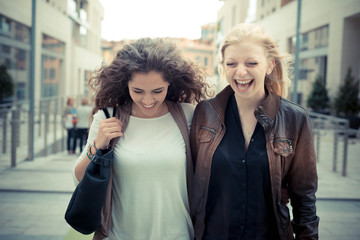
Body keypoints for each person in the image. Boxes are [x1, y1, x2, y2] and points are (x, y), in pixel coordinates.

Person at [190, 23, 319, 240]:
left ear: (269, 65)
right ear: (223, 66)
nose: (241, 72)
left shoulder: (295, 119)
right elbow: (190, 179)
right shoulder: (205, 112)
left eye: (252, 63)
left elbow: (304, 197)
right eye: (231, 63)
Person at [73, 38, 209, 240]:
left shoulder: (187, 115)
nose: (147, 100)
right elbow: (79, 176)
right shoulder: (108, 116)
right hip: (119, 235)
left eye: (157, 91)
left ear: (169, 84)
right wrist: (98, 143)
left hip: (178, 234)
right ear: (124, 83)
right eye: (138, 91)